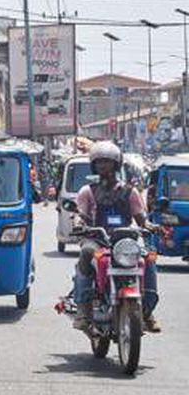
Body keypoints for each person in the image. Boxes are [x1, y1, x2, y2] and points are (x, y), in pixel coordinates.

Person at [71, 140, 160, 332]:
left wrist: (152, 226)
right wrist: (78, 224)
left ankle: (147, 311)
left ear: (116, 164)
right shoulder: (88, 191)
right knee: (86, 252)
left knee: (149, 258)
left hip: (125, 242)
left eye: (108, 161)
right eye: (99, 162)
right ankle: (83, 311)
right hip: (97, 240)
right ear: (94, 165)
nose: (103, 165)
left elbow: (141, 219)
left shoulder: (130, 191)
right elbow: (80, 214)